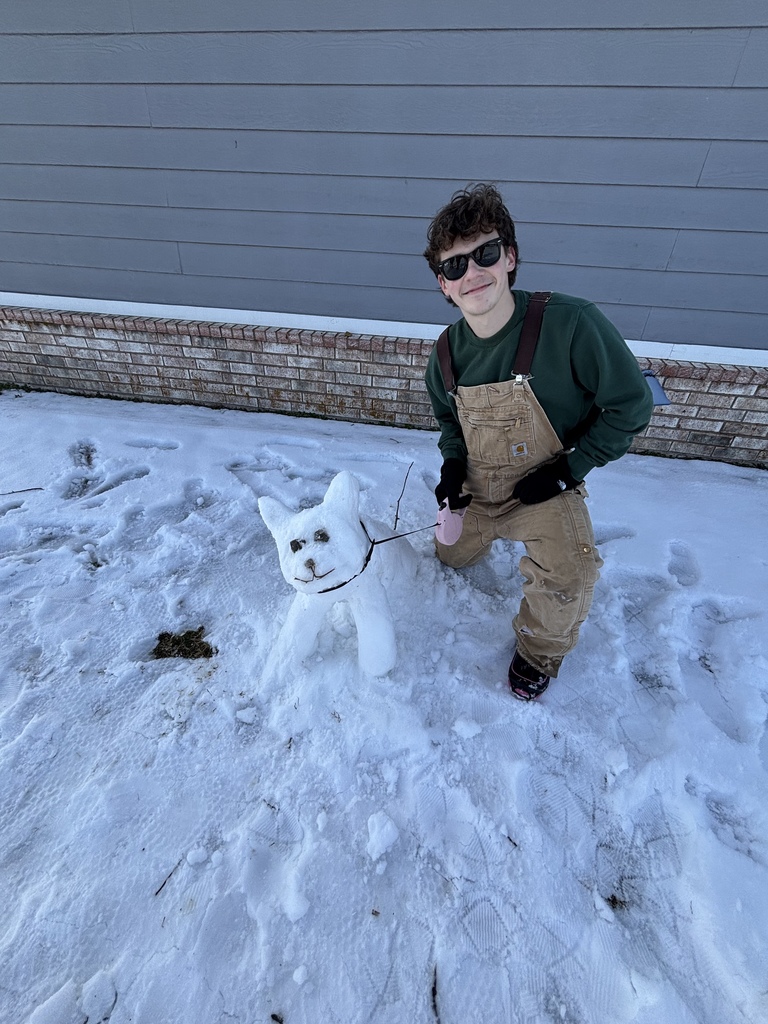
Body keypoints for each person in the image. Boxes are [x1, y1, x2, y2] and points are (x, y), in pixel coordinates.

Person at [423, 184, 653, 701]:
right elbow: (450, 425)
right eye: (454, 266)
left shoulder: (571, 324)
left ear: (509, 257)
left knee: (570, 575)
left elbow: (631, 404)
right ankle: (475, 532)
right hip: (480, 490)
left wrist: (572, 469)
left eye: (484, 253)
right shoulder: (442, 355)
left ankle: (538, 650)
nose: (472, 273)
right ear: (444, 284)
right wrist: (453, 471)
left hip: (547, 485)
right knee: (447, 556)